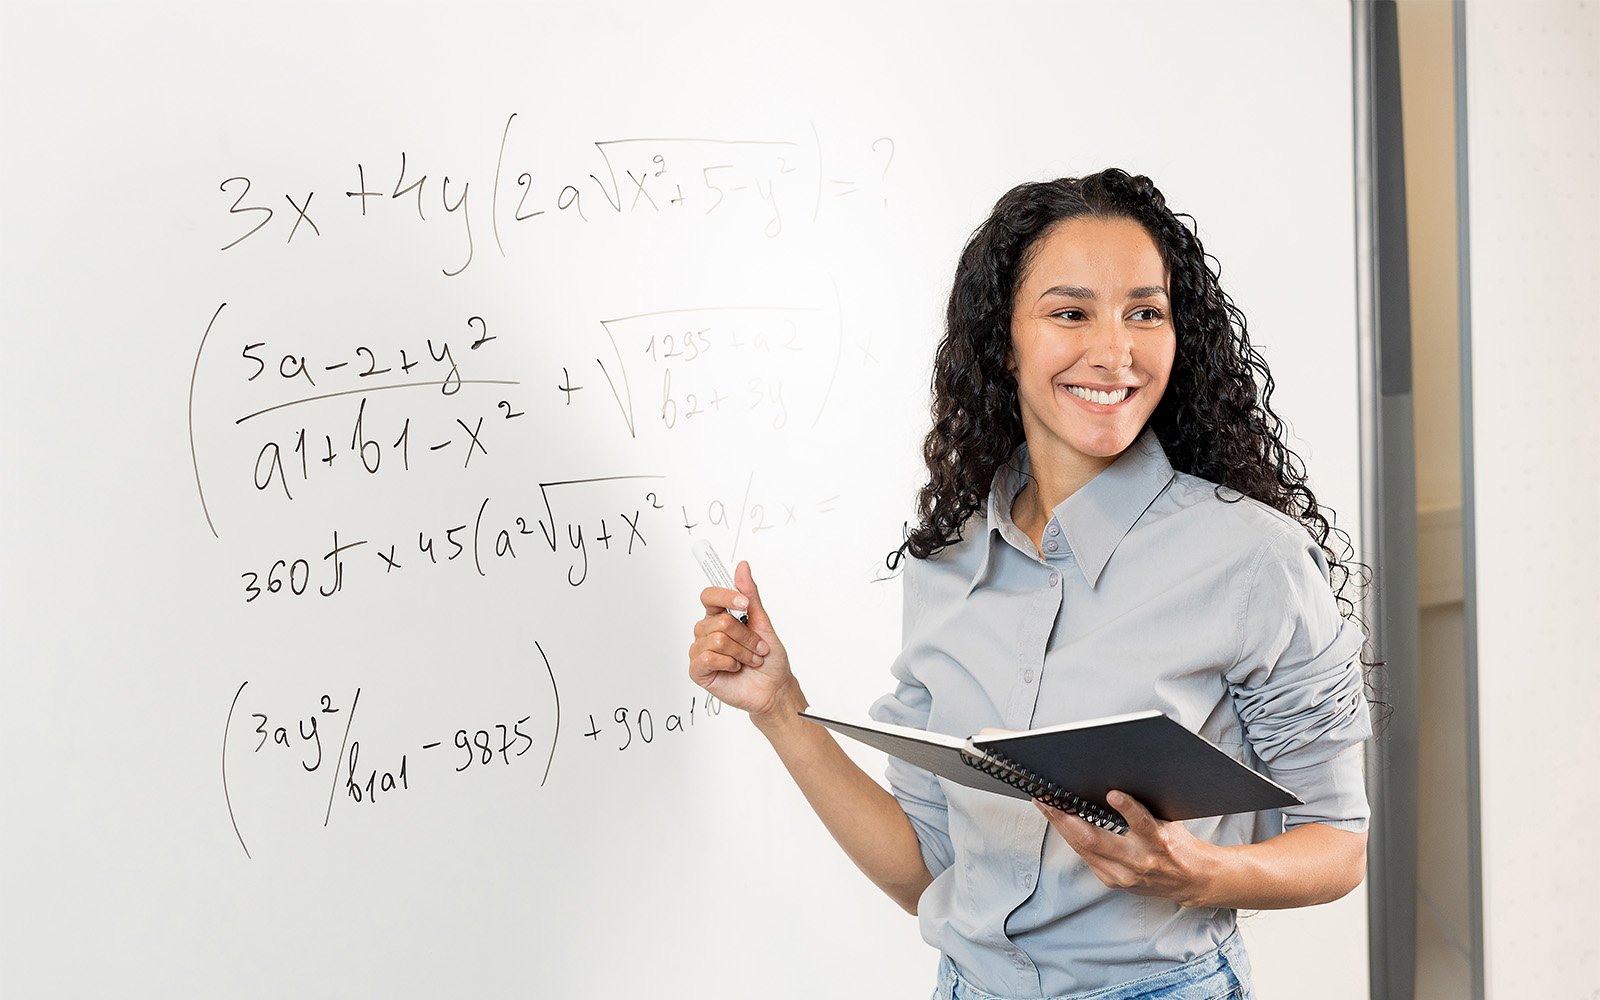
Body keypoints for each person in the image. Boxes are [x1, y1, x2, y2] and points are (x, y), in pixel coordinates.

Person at [687, 168, 1372, 1000]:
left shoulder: (1254, 559)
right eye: (1070, 313)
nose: (1114, 352)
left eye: (1145, 313)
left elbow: (1338, 843)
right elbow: (925, 870)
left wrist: (1199, 875)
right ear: (1003, 341)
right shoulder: (948, 561)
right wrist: (779, 705)